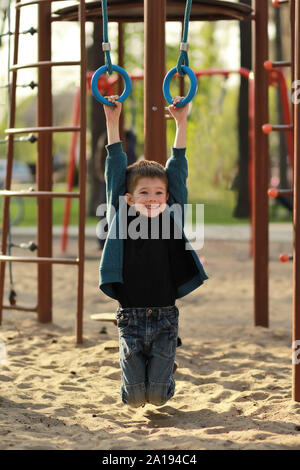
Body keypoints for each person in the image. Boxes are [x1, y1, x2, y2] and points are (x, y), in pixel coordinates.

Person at [99, 95, 208, 408]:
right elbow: (115, 168)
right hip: (130, 320)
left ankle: (166, 367)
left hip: (164, 321)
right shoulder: (120, 215)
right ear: (129, 198)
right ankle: (144, 369)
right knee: (133, 399)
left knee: (158, 397)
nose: (151, 198)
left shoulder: (173, 213)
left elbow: (178, 170)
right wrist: (112, 121)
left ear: (167, 196)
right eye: (144, 192)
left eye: (158, 193)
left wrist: (181, 123)